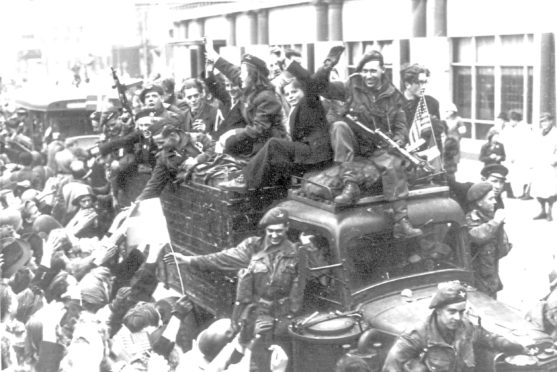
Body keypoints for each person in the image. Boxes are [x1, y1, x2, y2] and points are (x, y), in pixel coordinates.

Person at [316, 49, 422, 239]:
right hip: (354, 141)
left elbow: (401, 126)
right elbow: (321, 88)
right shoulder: (351, 85)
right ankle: (350, 186)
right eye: (365, 71)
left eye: (373, 71)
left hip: (377, 146)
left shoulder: (394, 95)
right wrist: (328, 65)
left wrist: (398, 139)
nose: (368, 76)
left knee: (393, 164)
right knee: (339, 127)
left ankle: (401, 220)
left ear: (382, 70)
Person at [218, 55, 333, 192]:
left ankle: (245, 180)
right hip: (304, 153)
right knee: (272, 146)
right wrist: (216, 59)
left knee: (274, 144)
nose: (290, 96)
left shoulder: (310, 102)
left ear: (304, 91)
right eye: (287, 94)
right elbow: (237, 75)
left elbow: (309, 81)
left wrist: (289, 63)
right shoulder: (291, 109)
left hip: (315, 153)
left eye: (295, 92)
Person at [381, 281, 527, 372]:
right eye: (451, 312)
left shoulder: (466, 326)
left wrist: (515, 346)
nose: (457, 317)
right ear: (438, 310)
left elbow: (490, 338)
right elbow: (391, 367)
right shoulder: (417, 335)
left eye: (461, 311)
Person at [205, 43, 286, 158]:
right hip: (256, 143)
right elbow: (231, 71)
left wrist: (234, 133)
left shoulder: (267, 97)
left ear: (252, 75)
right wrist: (214, 56)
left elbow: (259, 129)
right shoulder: (251, 88)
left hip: (271, 148)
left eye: (243, 73)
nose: (240, 76)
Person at [137, 124, 215, 200]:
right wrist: (138, 202)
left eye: (162, 142)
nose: (160, 147)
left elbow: (215, 149)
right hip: (195, 195)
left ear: (172, 135)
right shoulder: (163, 157)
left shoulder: (197, 138)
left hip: (215, 180)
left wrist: (197, 160)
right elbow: (154, 185)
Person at [466, 182, 511, 299]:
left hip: (490, 280)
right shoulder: (471, 220)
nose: (495, 202)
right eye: (490, 199)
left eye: (494, 198)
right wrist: (496, 222)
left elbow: (503, 250)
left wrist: (499, 225)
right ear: (479, 202)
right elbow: (476, 236)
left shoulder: (491, 220)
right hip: (476, 282)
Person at [530, 112, 557, 221]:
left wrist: (555, 160)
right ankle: (542, 211)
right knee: (538, 189)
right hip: (539, 164)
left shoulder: (555, 133)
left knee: (549, 189)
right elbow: (535, 147)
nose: (544, 124)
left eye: (546, 121)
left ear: (551, 121)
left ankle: (550, 211)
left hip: (550, 165)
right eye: (542, 122)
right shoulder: (539, 133)